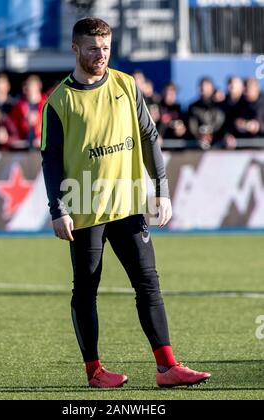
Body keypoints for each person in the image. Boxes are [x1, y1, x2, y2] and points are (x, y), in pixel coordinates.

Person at [41, 17, 211, 389]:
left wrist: (162, 190)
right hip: (85, 207)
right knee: (85, 289)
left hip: (130, 204)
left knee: (148, 283)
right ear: (75, 49)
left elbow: (150, 137)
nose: (100, 55)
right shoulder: (59, 100)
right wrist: (59, 210)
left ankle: (167, 367)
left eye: (105, 48)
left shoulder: (126, 85)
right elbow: (50, 159)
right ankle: (95, 372)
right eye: (92, 48)